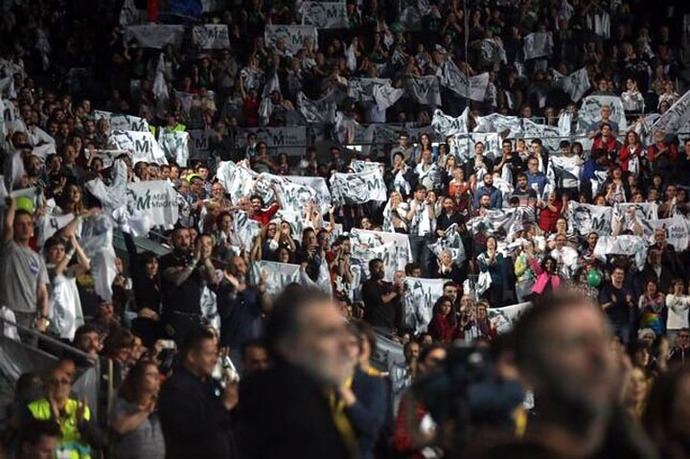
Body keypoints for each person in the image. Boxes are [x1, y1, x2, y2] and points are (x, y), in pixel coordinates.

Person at [484, 293, 655, 458]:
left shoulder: (626, 448)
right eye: (578, 342)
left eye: (602, 340)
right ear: (533, 367)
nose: (599, 356)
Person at [235, 287, 351, 459]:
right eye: (328, 333)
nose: (344, 344)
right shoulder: (280, 406)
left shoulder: (315, 394)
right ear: (288, 342)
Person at [158, 327, 237, 459]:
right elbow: (191, 430)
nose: (214, 359)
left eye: (215, 354)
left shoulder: (211, 383)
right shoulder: (176, 388)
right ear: (192, 356)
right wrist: (225, 406)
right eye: (209, 354)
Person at [24, 363, 107, 459]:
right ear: (46, 386)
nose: (59, 385)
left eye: (64, 382)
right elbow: (29, 445)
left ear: (70, 386)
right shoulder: (34, 409)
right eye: (53, 382)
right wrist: (54, 419)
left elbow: (99, 442)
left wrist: (82, 423)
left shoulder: (81, 408)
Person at [0, 198, 50, 336]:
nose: (26, 227)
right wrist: (13, 205)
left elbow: (42, 292)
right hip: (8, 313)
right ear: (15, 228)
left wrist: (44, 319)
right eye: (20, 224)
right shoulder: (9, 248)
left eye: (29, 224)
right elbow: (7, 226)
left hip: (31, 317)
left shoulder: (38, 259)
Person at [158, 228, 215, 343]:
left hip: (195, 317)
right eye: (180, 237)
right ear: (172, 240)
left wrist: (205, 259)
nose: (184, 241)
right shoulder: (165, 260)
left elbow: (212, 279)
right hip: (175, 317)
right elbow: (178, 280)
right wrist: (194, 261)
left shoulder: (196, 260)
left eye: (187, 237)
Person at [340, 322, 388, 459]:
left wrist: (343, 391)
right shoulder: (324, 379)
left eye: (355, 344)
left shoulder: (374, 381)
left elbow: (373, 426)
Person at [110, 360, 165, 459]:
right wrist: (146, 412)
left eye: (157, 375)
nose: (156, 378)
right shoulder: (124, 404)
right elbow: (120, 427)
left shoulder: (162, 405)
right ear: (138, 379)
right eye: (150, 375)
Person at [361, 258, 402, 332]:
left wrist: (399, 290)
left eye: (382, 267)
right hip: (375, 324)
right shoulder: (368, 285)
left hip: (389, 324)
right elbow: (382, 299)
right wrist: (395, 292)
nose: (381, 269)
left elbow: (395, 301)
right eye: (377, 267)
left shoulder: (387, 285)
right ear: (371, 269)